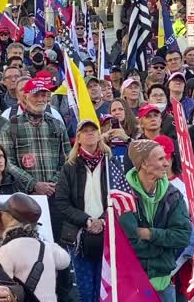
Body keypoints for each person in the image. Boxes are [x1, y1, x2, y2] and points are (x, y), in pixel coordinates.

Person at [56, 120, 126, 301]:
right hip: (78, 235)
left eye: (93, 130)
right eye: (84, 131)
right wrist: (87, 220)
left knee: (107, 289)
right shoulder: (69, 167)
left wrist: (102, 220)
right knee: (85, 290)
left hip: (108, 232)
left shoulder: (111, 164)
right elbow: (62, 202)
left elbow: (120, 195)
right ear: (78, 137)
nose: (90, 134)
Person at [0, 77, 71, 241]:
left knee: (57, 244)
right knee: (29, 242)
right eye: (35, 95)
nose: (40, 99)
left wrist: (53, 183)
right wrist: (33, 184)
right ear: (25, 97)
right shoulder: (10, 126)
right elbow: (7, 162)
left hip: (55, 197)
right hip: (25, 198)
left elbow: (68, 158)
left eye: (44, 95)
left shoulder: (57, 125)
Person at [119, 140, 191, 301]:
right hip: (131, 282)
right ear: (144, 163)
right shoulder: (123, 195)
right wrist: (163, 246)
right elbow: (129, 243)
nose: (167, 163)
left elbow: (183, 236)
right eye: (160, 159)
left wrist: (150, 234)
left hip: (163, 282)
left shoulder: (173, 195)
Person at [0, 193, 71, 301]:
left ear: (9, 217)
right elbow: (65, 261)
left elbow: (2, 289)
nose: (0, 216)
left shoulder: (7, 250)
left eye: (2, 213)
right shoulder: (47, 247)